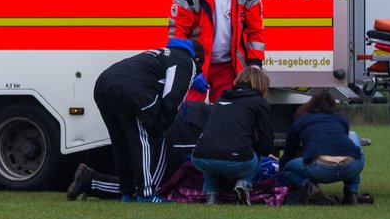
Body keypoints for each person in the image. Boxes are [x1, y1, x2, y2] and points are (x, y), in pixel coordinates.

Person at [93, 38, 203, 202]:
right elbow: (173, 97)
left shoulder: (162, 53)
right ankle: (145, 194)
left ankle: (127, 192)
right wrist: (159, 128)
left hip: (103, 83)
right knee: (142, 139)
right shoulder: (187, 62)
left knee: (121, 142)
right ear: (197, 60)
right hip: (129, 90)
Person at [169, 0, 265, 101]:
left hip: (228, 69)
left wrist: (255, 66)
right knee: (189, 114)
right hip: (197, 64)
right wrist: (190, 67)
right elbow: (177, 34)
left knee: (226, 116)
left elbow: (256, 32)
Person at [67, 101, 211, 200]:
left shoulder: (223, 109)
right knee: (153, 189)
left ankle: (91, 180)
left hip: (167, 120)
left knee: (147, 183)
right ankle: (91, 181)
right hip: (175, 132)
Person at [190, 66, 274, 204]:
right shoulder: (259, 102)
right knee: (258, 155)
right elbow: (266, 143)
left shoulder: (220, 99)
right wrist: (260, 149)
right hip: (238, 161)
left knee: (210, 151)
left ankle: (211, 193)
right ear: (263, 84)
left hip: (200, 158)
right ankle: (244, 183)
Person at [279, 88, 366, 205]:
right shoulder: (341, 119)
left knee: (288, 168)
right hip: (351, 166)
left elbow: (289, 152)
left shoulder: (301, 120)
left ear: (310, 104)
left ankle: (310, 187)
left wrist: (282, 168)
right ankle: (351, 193)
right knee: (352, 143)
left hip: (320, 168)